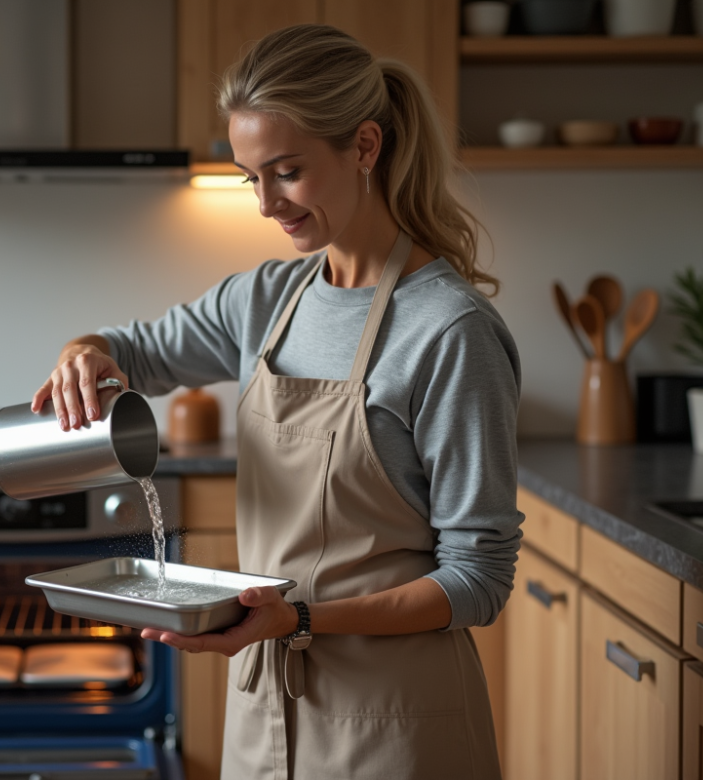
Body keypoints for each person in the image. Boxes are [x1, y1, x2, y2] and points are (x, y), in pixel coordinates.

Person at [31, 24, 521, 780]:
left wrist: (299, 619)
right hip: (264, 713)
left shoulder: (450, 331)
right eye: (249, 176)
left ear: (364, 148)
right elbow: (128, 351)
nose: (266, 204)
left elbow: (477, 578)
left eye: (287, 172)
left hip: (396, 723)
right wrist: (81, 354)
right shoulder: (262, 299)